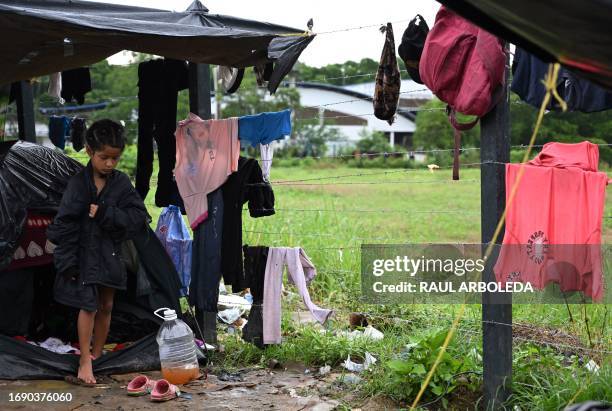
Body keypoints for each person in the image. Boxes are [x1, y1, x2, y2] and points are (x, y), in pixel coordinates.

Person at [48, 119, 149, 384]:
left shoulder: (121, 184)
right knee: (88, 306)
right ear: (90, 151)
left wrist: (107, 213)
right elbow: (63, 225)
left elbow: (138, 217)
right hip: (83, 256)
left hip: (111, 255)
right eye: (104, 157)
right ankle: (83, 362)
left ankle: (96, 355)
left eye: (115, 159)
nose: (110, 164)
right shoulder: (78, 185)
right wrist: (66, 261)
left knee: (106, 305)